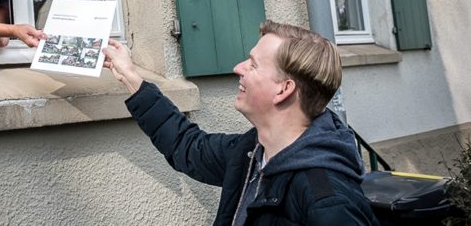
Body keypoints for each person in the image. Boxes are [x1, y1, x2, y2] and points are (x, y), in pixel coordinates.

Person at [102, 21, 378, 226]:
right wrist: (130, 77)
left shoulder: (329, 202)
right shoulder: (251, 153)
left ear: (283, 89)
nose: (238, 67)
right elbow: (187, 146)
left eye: (253, 64)